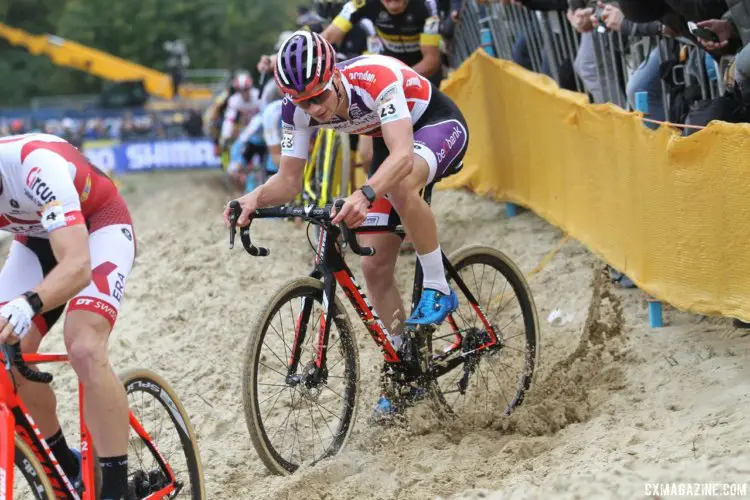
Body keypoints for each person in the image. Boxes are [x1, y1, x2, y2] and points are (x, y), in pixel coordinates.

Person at [223, 31, 469, 415]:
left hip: (434, 125)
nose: (315, 109)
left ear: (335, 74)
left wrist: (366, 194)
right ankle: (408, 369)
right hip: (391, 145)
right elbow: (289, 181)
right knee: (373, 265)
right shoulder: (297, 109)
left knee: (402, 185)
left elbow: (402, 156)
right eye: (303, 101)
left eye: (319, 96)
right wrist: (253, 198)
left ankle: (438, 287)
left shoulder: (374, 78)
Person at [0, 133, 136, 499]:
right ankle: (65, 469)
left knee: (84, 346)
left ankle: (116, 488)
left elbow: (77, 266)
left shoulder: (34, 166)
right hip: (37, 239)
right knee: (6, 353)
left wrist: (28, 303)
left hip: (97, 229)